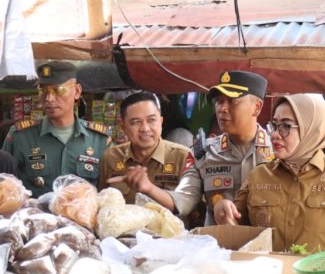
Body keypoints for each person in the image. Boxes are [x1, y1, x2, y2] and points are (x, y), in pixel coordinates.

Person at [214, 94, 325, 252]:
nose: (275, 134)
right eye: (274, 125)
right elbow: (238, 235)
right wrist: (224, 212)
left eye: (286, 126)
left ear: (312, 129)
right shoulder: (259, 175)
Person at [115, 70, 273, 225]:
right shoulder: (204, 154)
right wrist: (148, 188)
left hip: (269, 247)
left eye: (232, 101)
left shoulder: (279, 152)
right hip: (219, 247)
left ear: (257, 108)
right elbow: (183, 199)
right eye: (219, 101)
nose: (222, 108)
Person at [2, 61, 111, 196]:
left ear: (77, 91)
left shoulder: (100, 140)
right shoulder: (20, 137)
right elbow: (4, 189)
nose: (49, 98)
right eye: (43, 90)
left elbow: (110, 191)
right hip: (36, 216)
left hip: (82, 216)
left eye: (59, 90)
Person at [100, 91, 192, 204]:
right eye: (135, 122)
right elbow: (101, 203)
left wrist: (150, 188)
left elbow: (190, 208)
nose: (145, 128)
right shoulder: (110, 158)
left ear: (161, 121)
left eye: (151, 120)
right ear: (123, 127)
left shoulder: (183, 157)